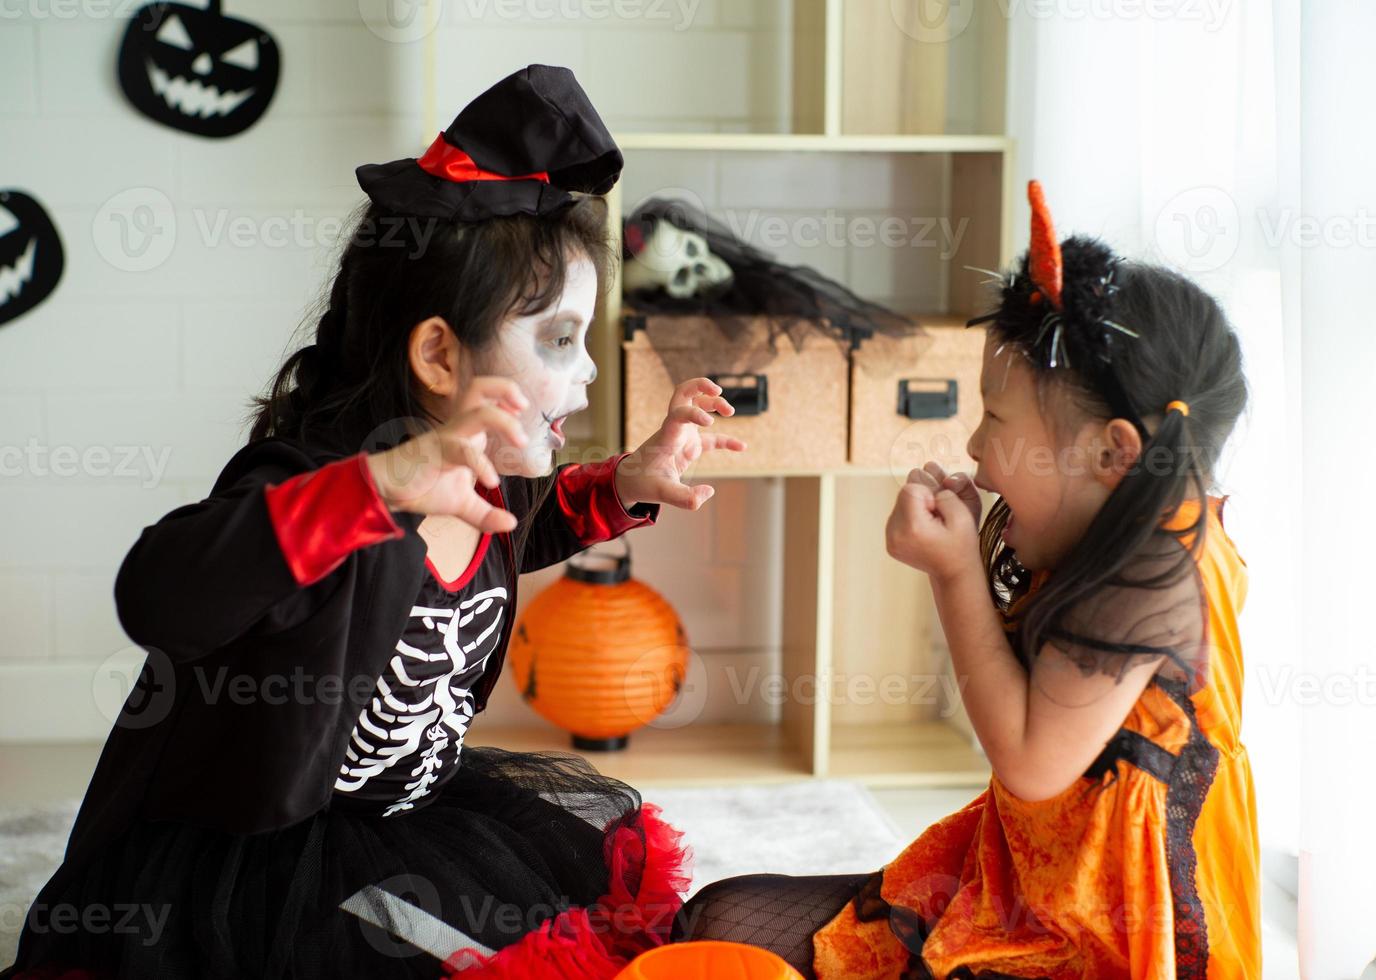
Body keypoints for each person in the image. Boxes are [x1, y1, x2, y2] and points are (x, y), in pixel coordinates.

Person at [3, 64, 748, 980]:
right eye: (560, 340)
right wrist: (374, 490)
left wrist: (627, 480)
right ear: (438, 353)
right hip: (270, 853)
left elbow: (530, 524)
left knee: (595, 930)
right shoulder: (315, 489)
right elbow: (160, 594)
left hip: (417, 812)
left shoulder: (485, 473)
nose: (588, 373)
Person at [672, 180, 1259, 978]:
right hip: (1024, 875)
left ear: (1112, 453)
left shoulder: (1152, 577)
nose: (975, 448)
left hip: (1099, 934)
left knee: (729, 935)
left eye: (995, 418)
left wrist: (954, 577)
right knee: (713, 921)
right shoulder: (1112, 522)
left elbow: (1030, 760)